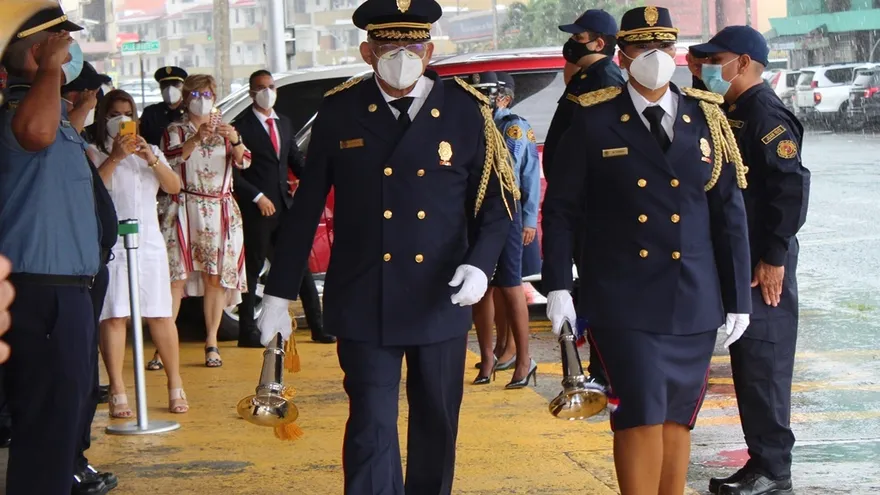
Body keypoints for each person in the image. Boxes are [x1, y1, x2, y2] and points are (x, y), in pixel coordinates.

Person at [257, 0, 517, 492]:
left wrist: (481, 266)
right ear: (366, 51)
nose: (403, 55)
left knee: (436, 424)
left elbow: (497, 205)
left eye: (413, 44)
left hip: (439, 295)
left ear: (430, 49)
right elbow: (306, 205)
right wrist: (278, 292)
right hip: (364, 296)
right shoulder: (341, 110)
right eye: (389, 45)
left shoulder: (467, 110)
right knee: (370, 428)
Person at [541, 6, 753, 495]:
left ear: (676, 53)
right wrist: (557, 285)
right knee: (639, 409)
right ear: (623, 54)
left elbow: (729, 215)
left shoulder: (707, 117)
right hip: (623, 298)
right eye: (641, 47)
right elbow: (562, 211)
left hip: (694, 297)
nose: (653, 57)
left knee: (679, 416)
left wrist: (737, 298)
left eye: (663, 47)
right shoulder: (594, 119)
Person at [687, 26, 810, 495]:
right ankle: (760, 460)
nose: (706, 67)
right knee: (746, 362)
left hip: (764, 261)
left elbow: (791, 187)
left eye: (714, 59)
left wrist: (774, 257)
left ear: (742, 62)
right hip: (738, 258)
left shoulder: (765, 113)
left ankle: (774, 470)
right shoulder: (727, 111)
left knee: (764, 363)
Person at [0, 7, 105, 494]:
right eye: (61, 43)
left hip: (69, 291)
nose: (69, 52)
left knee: (62, 420)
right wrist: (47, 70)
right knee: (45, 423)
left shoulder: (53, 112)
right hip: (40, 291)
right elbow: (35, 134)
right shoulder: (22, 108)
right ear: (38, 50)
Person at [88, 89, 189, 419]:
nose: (121, 120)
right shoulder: (94, 152)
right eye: (114, 114)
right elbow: (93, 192)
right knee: (114, 315)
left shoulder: (152, 151)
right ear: (104, 118)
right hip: (113, 242)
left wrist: (151, 159)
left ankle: (175, 385)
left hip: (148, 241)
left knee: (160, 313)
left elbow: (173, 187)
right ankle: (117, 389)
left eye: (127, 113)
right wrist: (115, 156)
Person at [542, 8, 624, 392]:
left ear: (600, 42)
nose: (572, 44)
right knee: (590, 286)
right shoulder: (585, 78)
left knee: (599, 290)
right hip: (578, 204)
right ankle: (602, 366)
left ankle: (606, 371)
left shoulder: (603, 78)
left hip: (592, 207)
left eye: (579, 37)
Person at [232, 69, 335, 347]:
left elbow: (295, 160)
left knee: (298, 264)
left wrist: (317, 177)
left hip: (285, 207)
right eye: (261, 87)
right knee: (252, 269)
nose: (267, 92)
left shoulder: (284, 123)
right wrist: (257, 198)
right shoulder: (241, 127)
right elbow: (235, 175)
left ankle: (318, 324)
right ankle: (248, 331)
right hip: (258, 210)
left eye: (271, 86)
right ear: (251, 92)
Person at [161, 74, 251, 368]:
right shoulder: (175, 130)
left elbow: (245, 161)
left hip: (220, 208)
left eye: (208, 95)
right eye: (196, 95)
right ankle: (163, 344)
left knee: (215, 279)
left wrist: (234, 138)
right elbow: (170, 159)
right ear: (186, 99)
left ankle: (211, 341)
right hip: (185, 206)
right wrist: (196, 138)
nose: (202, 101)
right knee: (176, 277)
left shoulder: (226, 129)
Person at [62, 62, 120, 495]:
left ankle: (74, 457)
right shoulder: (58, 139)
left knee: (82, 373)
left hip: (87, 269)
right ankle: (70, 461)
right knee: (74, 376)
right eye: (95, 94)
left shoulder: (71, 139)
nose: (97, 102)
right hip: (68, 276)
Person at [468, 71, 540, 388]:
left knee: (511, 286)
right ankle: (488, 357)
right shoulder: (468, 127)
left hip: (507, 211)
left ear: (501, 98)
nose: (480, 102)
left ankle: (523, 358)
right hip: (475, 214)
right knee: (480, 289)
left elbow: (522, 177)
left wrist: (528, 220)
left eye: (485, 95)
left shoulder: (512, 127)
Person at [140, 66, 188, 146]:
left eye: (175, 84)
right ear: (160, 88)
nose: (170, 89)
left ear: (183, 87)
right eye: (165, 85)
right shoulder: (150, 113)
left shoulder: (190, 111)